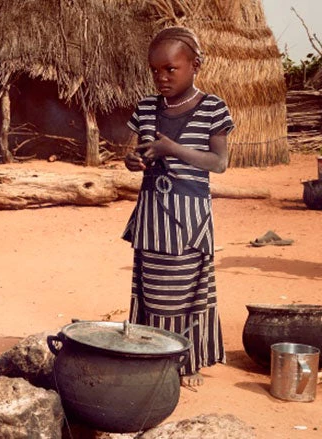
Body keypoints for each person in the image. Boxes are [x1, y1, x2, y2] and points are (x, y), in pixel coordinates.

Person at [122, 27, 235, 387]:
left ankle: (186, 360)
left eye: (171, 69)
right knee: (151, 289)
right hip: (152, 211)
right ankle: (150, 353)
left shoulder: (213, 108)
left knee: (185, 290)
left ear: (195, 65)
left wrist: (174, 149)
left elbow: (218, 163)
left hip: (189, 215)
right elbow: (137, 152)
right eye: (156, 70)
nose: (162, 77)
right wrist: (132, 161)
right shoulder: (146, 108)